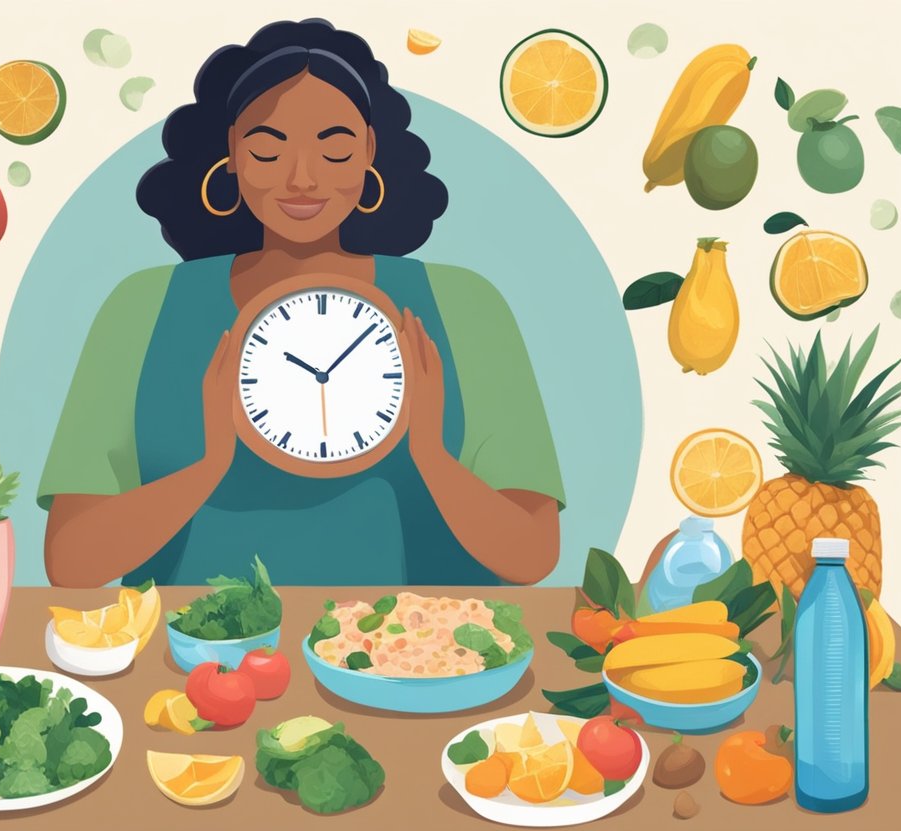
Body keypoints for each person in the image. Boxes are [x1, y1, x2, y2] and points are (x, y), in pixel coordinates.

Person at [40, 19, 564, 587]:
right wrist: (209, 466)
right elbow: (71, 562)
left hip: (416, 659)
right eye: (267, 151)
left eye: (334, 151)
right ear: (232, 155)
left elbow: (531, 555)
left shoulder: (465, 305)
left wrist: (430, 455)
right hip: (196, 659)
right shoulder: (142, 306)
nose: (303, 179)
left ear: (369, 151)